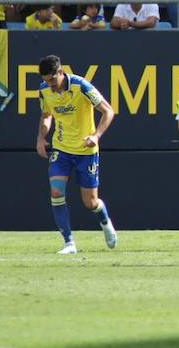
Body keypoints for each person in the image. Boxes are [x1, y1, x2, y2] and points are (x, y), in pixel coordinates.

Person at [36, 54, 118, 255]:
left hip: (86, 151)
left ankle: (105, 222)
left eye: (53, 80)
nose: (51, 85)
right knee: (56, 192)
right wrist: (41, 137)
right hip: (61, 148)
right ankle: (69, 243)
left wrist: (96, 136)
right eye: (46, 81)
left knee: (90, 202)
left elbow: (108, 111)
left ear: (61, 72)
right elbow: (47, 116)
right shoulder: (44, 90)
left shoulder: (81, 86)